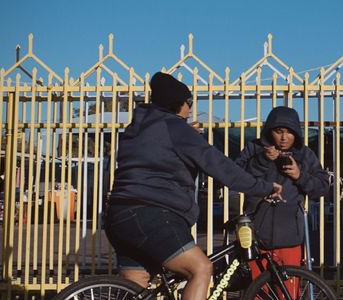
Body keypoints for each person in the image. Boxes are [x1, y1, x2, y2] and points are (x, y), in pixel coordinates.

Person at [104, 72, 282, 300]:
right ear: (179, 104)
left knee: (137, 288)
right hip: (152, 215)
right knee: (201, 269)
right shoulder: (176, 128)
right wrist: (263, 187)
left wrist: (186, 136)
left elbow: (157, 158)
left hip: (118, 216)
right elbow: (221, 167)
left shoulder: (136, 129)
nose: (190, 109)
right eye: (190, 103)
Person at [235, 106, 329, 296]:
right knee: (257, 293)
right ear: (270, 131)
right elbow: (235, 177)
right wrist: (262, 160)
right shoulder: (254, 148)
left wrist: (299, 175)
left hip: (290, 239)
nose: (284, 138)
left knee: (287, 292)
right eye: (279, 132)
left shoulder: (305, 154)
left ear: (297, 133)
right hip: (255, 238)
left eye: (289, 132)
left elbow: (322, 187)